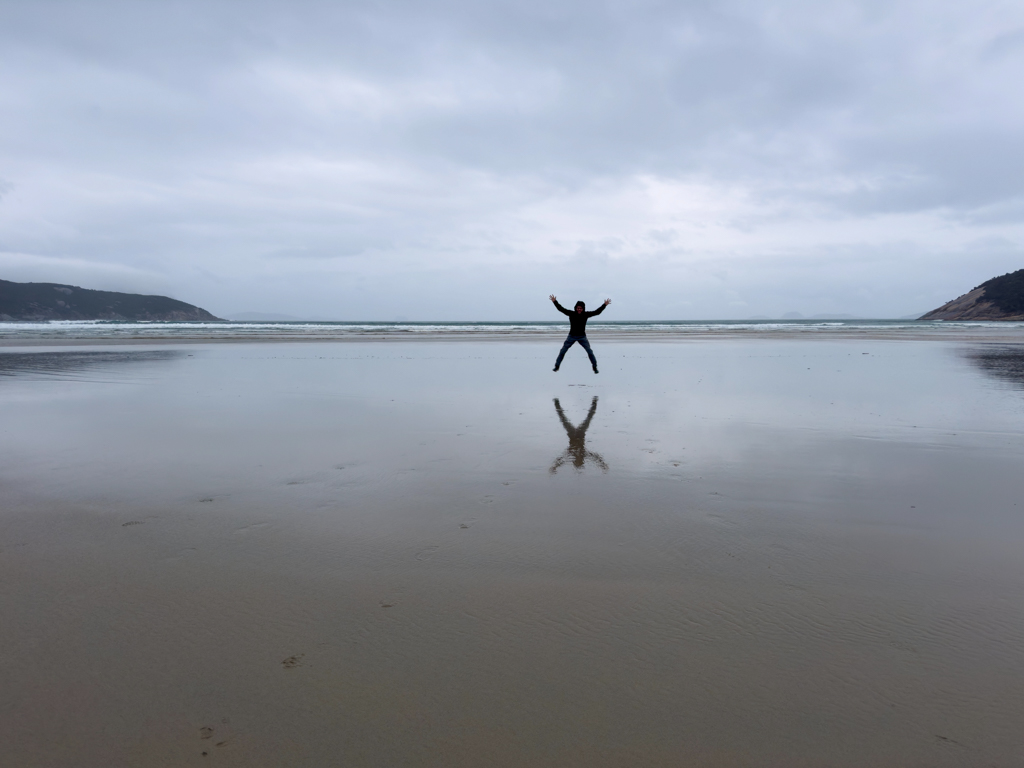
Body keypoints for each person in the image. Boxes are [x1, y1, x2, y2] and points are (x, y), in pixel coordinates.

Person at [549, 294, 611, 373]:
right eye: (578, 308)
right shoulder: (571, 313)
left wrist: (604, 305)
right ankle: (557, 366)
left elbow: (597, 312)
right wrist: (555, 301)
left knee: (589, 352)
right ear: (575, 308)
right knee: (562, 351)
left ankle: (595, 367)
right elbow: (561, 309)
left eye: (581, 308)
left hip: (582, 337)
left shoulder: (585, 314)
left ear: (583, 309)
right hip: (571, 336)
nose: (579, 309)